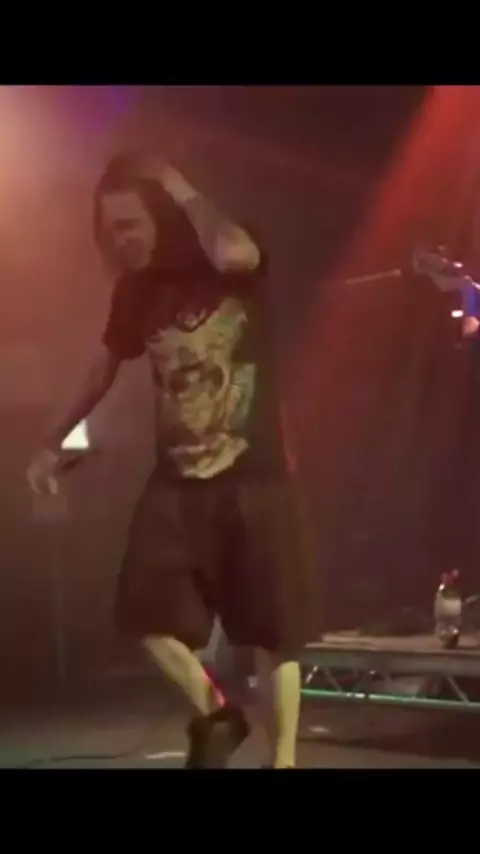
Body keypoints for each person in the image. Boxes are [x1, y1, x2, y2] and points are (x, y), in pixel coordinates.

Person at [27, 151, 320, 768]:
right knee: (143, 613)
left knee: (271, 631)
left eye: (129, 224)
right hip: (179, 480)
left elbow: (237, 254)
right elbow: (101, 370)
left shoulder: (225, 259)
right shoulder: (136, 292)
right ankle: (219, 715)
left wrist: (179, 184)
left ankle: (284, 762)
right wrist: (52, 440)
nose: (119, 240)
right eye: (109, 230)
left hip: (256, 475)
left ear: (162, 215)